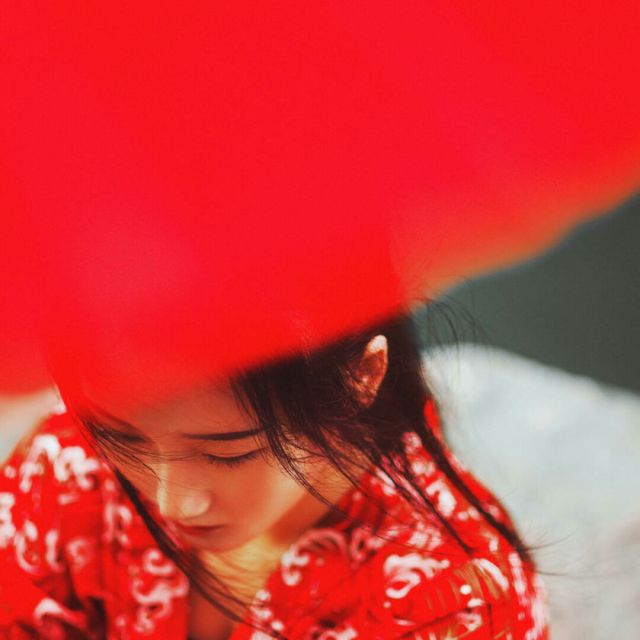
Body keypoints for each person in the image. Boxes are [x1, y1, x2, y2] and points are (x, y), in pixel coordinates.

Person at [0, 313, 548, 639]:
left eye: (227, 454)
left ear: (361, 375)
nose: (172, 503)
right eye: (125, 439)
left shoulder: (456, 602)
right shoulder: (69, 462)